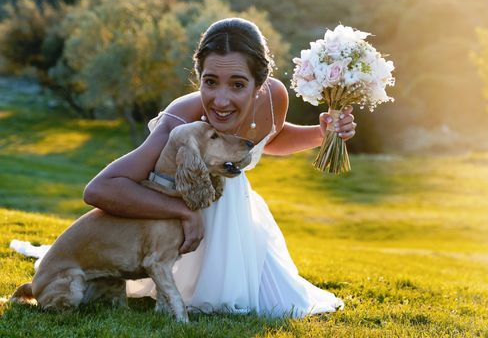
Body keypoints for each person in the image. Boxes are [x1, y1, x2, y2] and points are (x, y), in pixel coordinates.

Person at [83, 17, 357, 317]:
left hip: (240, 221)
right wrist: (183, 211)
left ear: (259, 85)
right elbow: (101, 188)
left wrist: (322, 134)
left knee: (278, 303)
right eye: (210, 82)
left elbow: (269, 138)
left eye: (238, 84)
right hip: (175, 235)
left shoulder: (274, 97)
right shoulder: (180, 121)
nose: (221, 99)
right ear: (198, 78)